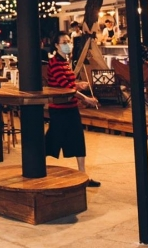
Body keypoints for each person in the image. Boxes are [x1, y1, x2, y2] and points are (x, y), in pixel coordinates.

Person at [45, 32, 101, 187]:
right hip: (59, 108)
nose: (68, 44)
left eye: (68, 41)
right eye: (64, 42)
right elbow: (66, 87)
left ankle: (83, 176)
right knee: (51, 141)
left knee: (78, 140)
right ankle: (37, 170)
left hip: (70, 106)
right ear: (56, 46)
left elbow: (68, 85)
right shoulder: (55, 63)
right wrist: (86, 99)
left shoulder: (65, 62)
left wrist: (78, 85)